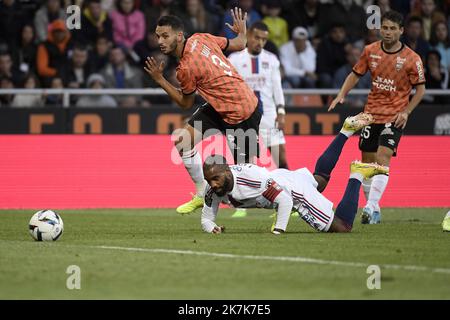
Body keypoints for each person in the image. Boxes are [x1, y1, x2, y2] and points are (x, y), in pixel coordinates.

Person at [144, 9, 261, 215]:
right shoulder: (202, 37)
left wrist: (160, 80)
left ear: (179, 36)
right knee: (183, 141)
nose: (160, 41)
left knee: (247, 180)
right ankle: (200, 193)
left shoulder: (186, 68)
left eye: (165, 36)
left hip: (242, 111)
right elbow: (239, 44)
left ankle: (286, 198)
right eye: (158, 36)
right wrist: (241, 33)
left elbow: (185, 103)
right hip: (219, 105)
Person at [200, 112, 388, 234]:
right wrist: (213, 229)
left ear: (227, 170)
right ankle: (346, 131)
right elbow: (207, 219)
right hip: (282, 177)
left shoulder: (252, 177)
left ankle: (356, 174)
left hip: (292, 191)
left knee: (342, 227)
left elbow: (285, 200)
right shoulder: (212, 189)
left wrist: (278, 231)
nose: (214, 184)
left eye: (216, 178)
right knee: (319, 181)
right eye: (210, 180)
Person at [328, 11, 426, 224]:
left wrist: (406, 111)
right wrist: (341, 94)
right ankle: (376, 208)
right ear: (380, 29)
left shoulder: (412, 58)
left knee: (382, 158)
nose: (388, 32)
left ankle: (370, 208)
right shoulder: (370, 51)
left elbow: (420, 89)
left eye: (392, 28)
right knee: (367, 163)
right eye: (385, 28)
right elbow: (355, 74)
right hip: (370, 115)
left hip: (394, 116)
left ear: (401, 31)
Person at [227, 21, 288, 218]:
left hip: (269, 115)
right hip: (244, 115)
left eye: (264, 39)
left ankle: (290, 200)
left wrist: (281, 110)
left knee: (281, 158)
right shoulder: (235, 59)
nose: (260, 42)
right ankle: (241, 206)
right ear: (249, 36)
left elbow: (277, 87)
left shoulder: (272, 59)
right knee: (245, 163)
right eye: (257, 38)